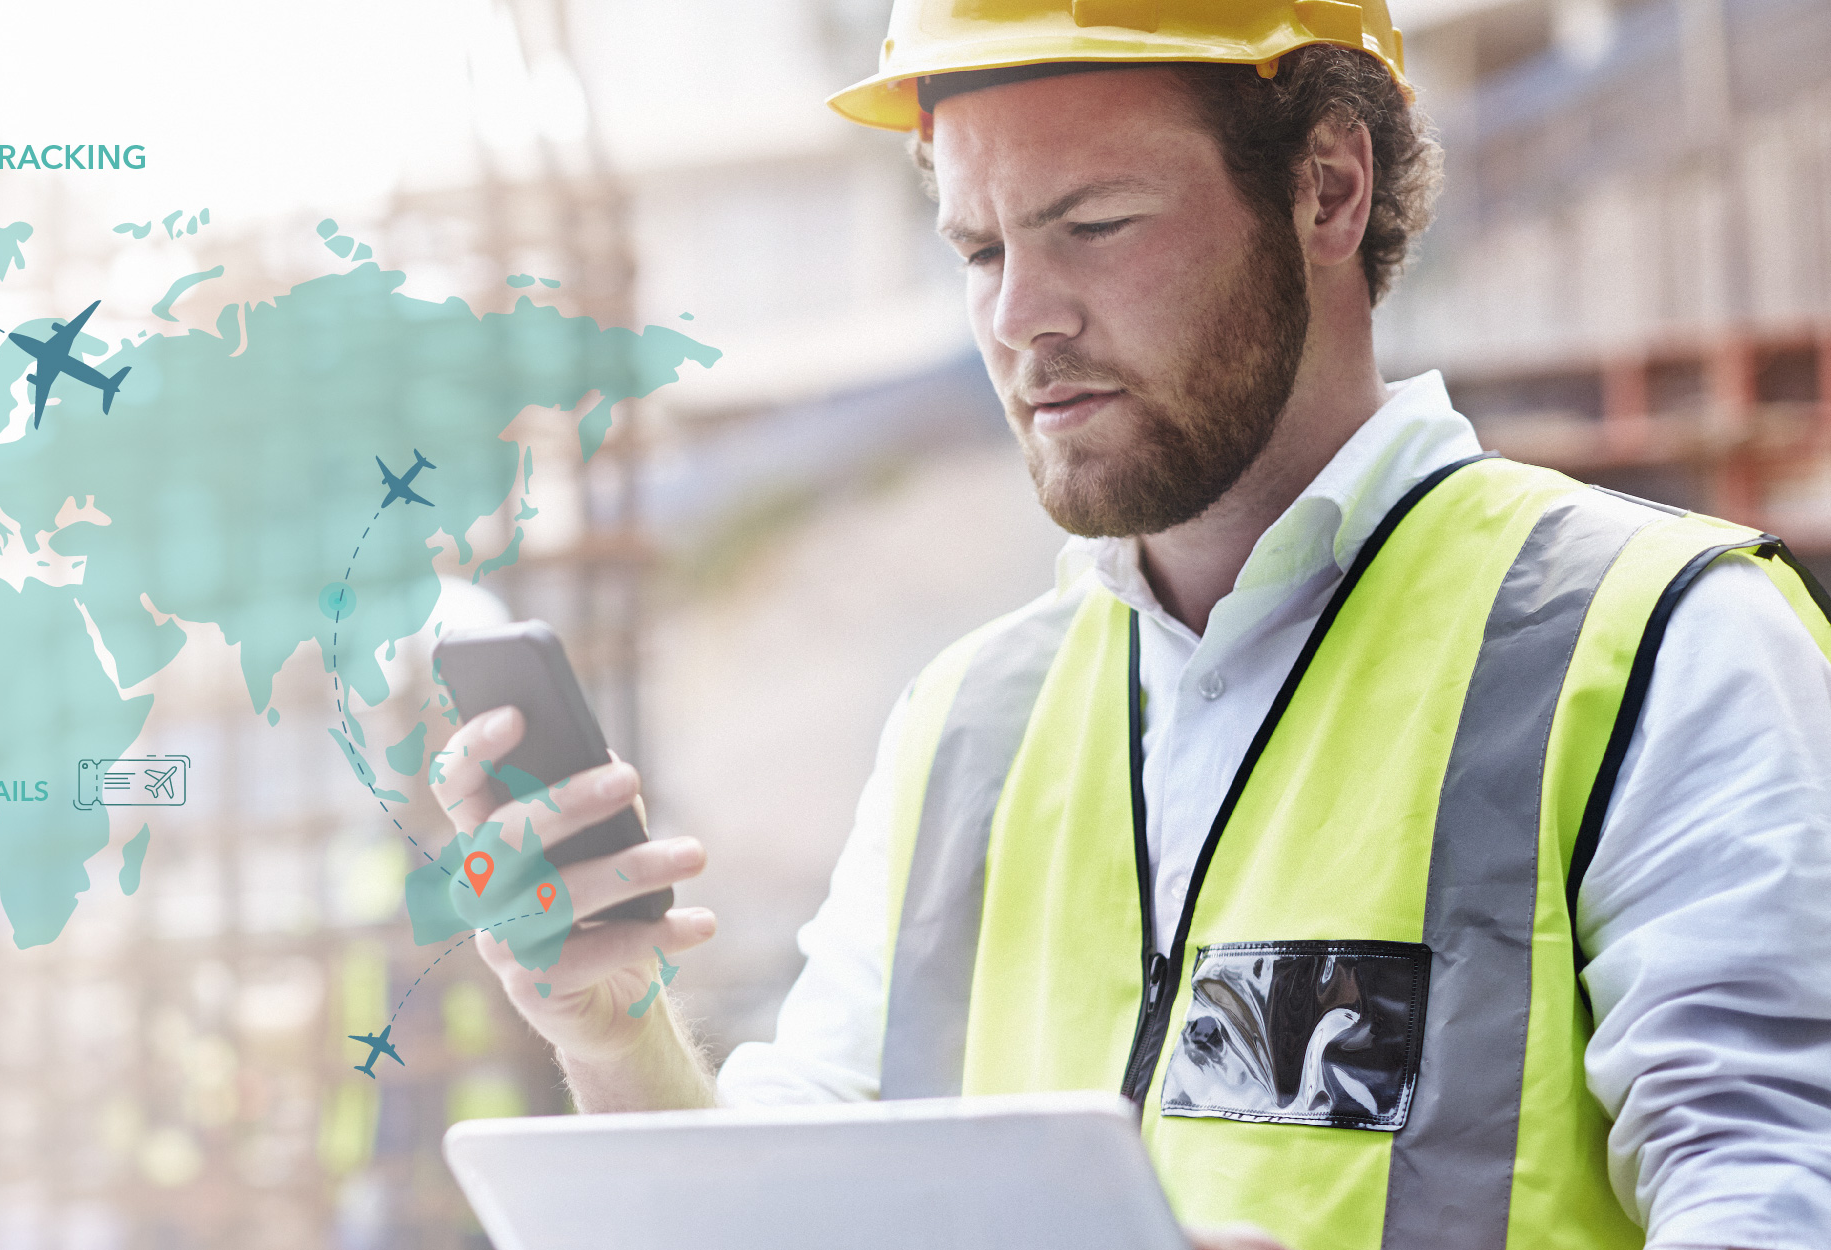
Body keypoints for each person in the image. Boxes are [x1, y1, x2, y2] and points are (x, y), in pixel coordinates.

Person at [426, 3, 1831, 1246]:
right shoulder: (962, 728)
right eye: (979, 248)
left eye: (1093, 225)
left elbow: (1776, 1197)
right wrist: (615, 1028)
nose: (1020, 316)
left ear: (1328, 188)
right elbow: (782, 1216)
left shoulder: (1660, 647)